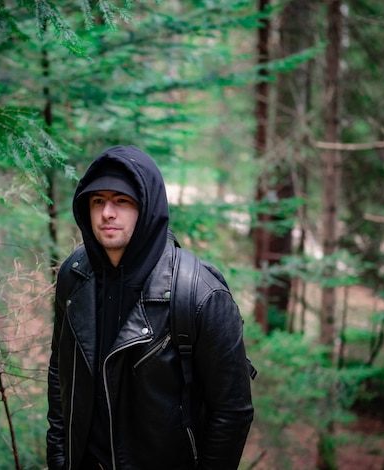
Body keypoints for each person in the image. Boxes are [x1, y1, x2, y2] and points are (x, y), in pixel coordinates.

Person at [46, 145, 254, 470]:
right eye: (97, 201)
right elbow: (61, 373)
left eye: (122, 201)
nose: (107, 213)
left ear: (147, 208)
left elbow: (232, 410)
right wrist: (60, 460)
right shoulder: (75, 276)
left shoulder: (199, 293)